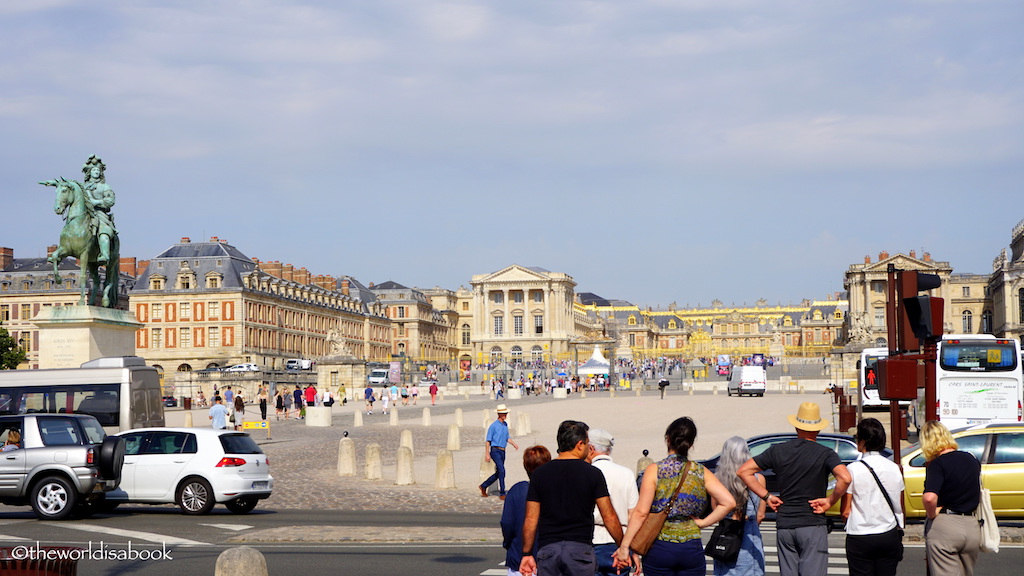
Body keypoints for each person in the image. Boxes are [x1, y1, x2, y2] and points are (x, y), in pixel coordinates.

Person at [738, 402, 852, 576]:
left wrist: (767, 496)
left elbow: (743, 471)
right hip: (812, 523)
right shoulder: (826, 453)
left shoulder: (778, 450)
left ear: (796, 427)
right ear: (818, 429)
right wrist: (830, 501)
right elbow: (845, 478)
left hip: (785, 524)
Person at [614, 417, 735, 576]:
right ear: (691, 444)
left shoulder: (654, 470)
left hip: (660, 546)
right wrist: (704, 522)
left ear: (667, 439)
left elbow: (641, 513)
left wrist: (625, 547)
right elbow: (729, 502)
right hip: (691, 547)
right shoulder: (701, 471)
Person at [520, 420, 623, 576]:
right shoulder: (592, 473)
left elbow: (531, 519)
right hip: (580, 549)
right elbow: (608, 516)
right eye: (588, 443)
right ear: (580, 445)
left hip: (549, 549)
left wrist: (526, 553)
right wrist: (622, 546)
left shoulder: (540, 474)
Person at [824, 418, 903, 576]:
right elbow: (900, 505)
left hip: (860, 535)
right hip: (888, 533)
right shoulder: (894, 468)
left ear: (863, 441)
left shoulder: (852, 469)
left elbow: (846, 511)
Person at [920, 420, 981, 576]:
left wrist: (932, 513)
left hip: (946, 526)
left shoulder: (937, 464)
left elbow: (929, 498)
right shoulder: (970, 459)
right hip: (972, 526)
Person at [712, 436, 767, 576]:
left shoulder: (717, 479)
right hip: (750, 533)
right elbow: (761, 514)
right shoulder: (758, 479)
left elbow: (715, 510)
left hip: (727, 533)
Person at [587, 428, 639, 576]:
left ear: (590, 448)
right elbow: (633, 515)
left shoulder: (587, 472)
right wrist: (632, 549)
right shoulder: (626, 473)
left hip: (593, 539)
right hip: (620, 541)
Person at [501, 446, 552, 576]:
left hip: (519, 556)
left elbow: (507, 522)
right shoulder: (555, 490)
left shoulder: (517, 490)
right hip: (548, 558)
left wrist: (508, 543)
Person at [481, 405, 520, 499]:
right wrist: (487, 453)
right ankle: (502, 493)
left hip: (503, 450)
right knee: (502, 470)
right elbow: (488, 440)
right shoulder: (493, 426)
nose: (505, 415)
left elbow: (507, 437)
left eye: (506, 413)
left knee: (499, 472)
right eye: (503, 413)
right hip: (495, 450)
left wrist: (514, 444)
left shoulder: (505, 425)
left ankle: (484, 485)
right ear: (499, 414)